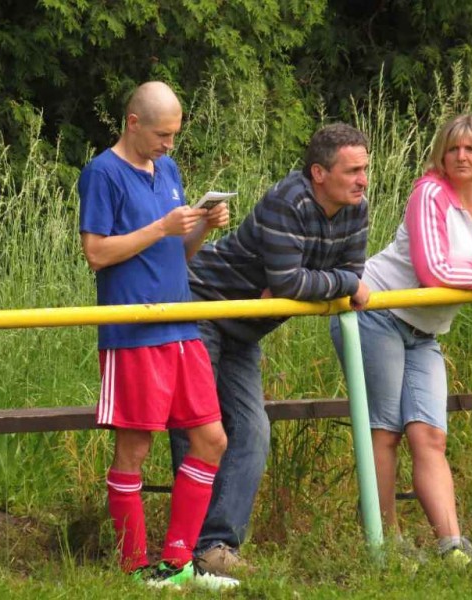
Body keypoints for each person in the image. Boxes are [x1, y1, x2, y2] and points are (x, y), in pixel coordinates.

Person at [170, 123, 372, 575]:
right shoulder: (288, 200)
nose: (362, 180)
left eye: (365, 169)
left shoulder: (356, 208)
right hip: (201, 305)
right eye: (352, 171)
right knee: (197, 426)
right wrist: (330, 283)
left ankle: (217, 546)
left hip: (246, 328)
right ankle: (184, 548)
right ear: (319, 173)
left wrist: (316, 283)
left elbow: (342, 275)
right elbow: (294, 283)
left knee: (253, 429)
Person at [330, 114, 472, 565]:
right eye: (453, 148)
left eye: (471, 148)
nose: (461, 156)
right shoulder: (428, 193)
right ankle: (384, 545)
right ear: (441, 155)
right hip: (377, 311)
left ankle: (452, 546)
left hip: (425, 330)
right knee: (386, 431)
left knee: (430, 434)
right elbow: (436, 271)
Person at [77, 81, 239, 589]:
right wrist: (162, 228)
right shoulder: (102, 173)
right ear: (133, 123)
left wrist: (204, 226)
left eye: (174, 134)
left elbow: (177, 251)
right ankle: (134, 568)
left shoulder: (167, 169)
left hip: (181, 325)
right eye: (162, 135)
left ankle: (177, 562)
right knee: (135, 449)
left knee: (211, 439)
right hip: (133, 333)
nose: (169, 144)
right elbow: (96, 253)